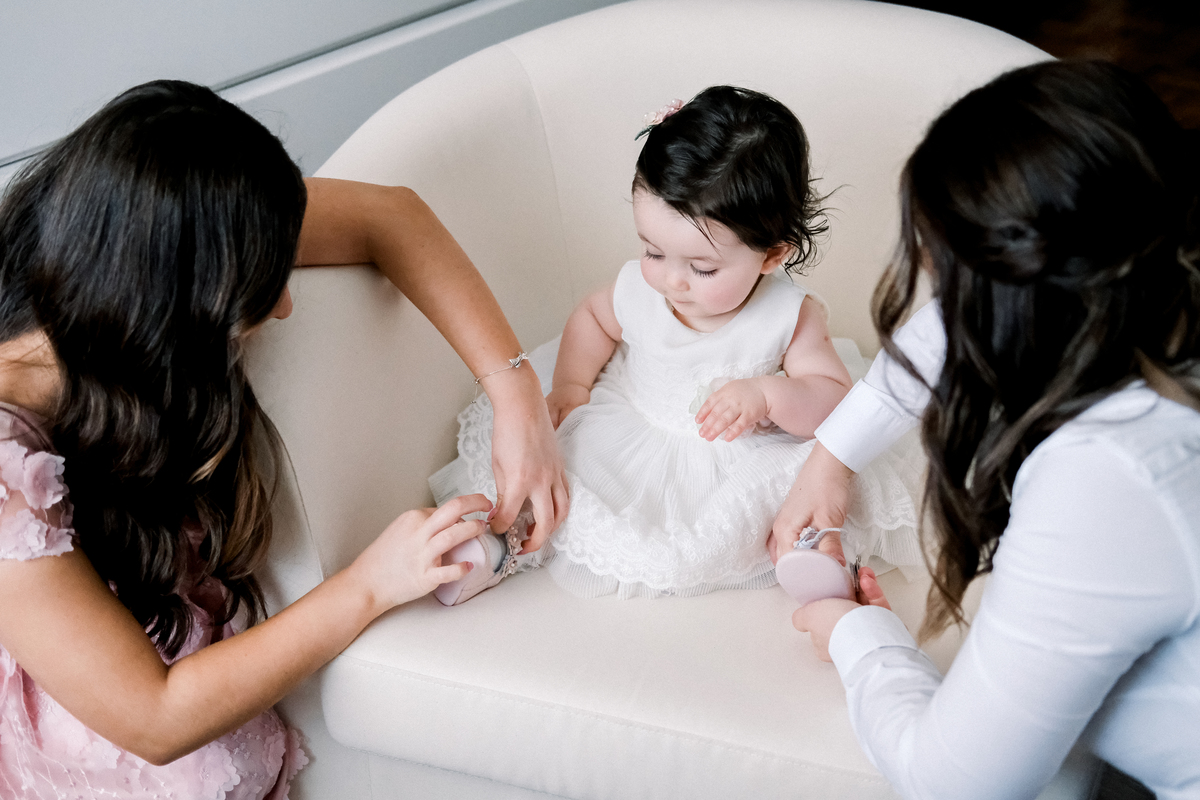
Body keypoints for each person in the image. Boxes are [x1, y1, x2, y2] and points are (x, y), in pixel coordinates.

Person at [0, 80, 567, 798]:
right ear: (174, 312)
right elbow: (154, 717)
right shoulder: (8, 472)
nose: (288, 305)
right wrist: (371, 582)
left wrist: (515, 395)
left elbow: (389, 214)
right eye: (263, 291)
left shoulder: (131, 239)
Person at [785, 61, 1200, 799]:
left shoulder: (1110, 476)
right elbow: (951, 331)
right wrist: (831, 455)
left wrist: (854, 634)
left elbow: (955, 783)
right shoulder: (1158, 290)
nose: (941, 308)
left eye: (946, 280)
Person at [432, 86, 923, 605]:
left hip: (740, 459)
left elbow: (835, 403)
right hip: (631, 425)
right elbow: (593, 319)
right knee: (559, 477)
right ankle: (499, 544)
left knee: (785, 502)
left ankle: (815, 557)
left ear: (771, 256)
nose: (671, 280)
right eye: (652, 251)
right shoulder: (638, 290)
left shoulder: (786, 315)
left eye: (702, 268)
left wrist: (768, 395)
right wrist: (572, 384)